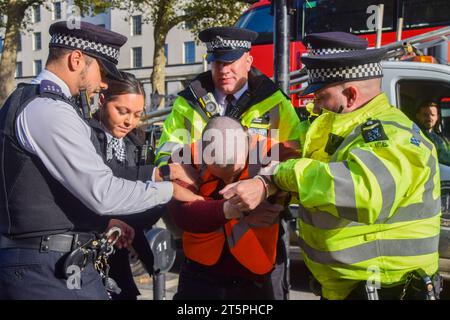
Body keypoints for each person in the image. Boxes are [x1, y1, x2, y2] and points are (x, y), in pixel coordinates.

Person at [220, 32, 442, 300]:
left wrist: (280, 176)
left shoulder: (394, 135)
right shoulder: (331, 123)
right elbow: (292, 152)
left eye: (320, 95)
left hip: (389, 289)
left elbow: (363, 192)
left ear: (350, 95)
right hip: (343, 288)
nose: (313, 103)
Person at [0, 21, 200, 300]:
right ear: (76, 59)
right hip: (44, 271)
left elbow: (52, 189)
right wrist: (167, 187)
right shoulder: (50, 110)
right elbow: (103, 192)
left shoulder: (32, 101)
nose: (104, 82)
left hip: (48, 264)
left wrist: (102, 223)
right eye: (102, 70)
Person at [155, 26, 301, 300]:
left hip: (259, 239)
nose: (223, 70)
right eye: (217, 61)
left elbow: (292, 158)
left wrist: (269, 195)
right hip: (203, 240)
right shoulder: (188, 102)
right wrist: (177, 172)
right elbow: (166, 154)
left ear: (248, 59)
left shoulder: (274, 102)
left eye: (230, 60)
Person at [89, 71, 198, 299]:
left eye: (138, 114)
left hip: (118, 259)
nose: (130, 121)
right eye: (122, 111)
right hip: (85, 256)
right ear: (102, 100)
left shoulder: (134, 143)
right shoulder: (84, 137)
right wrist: (159, 177)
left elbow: (141, 203)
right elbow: (102, 182)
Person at [170, 116, 299, 300]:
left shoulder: (270, 150)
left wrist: (266, 184)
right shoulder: (186, 156)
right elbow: (183, 214)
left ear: (247, 143)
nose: (228, 183)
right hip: (200, 274)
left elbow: (300, 172)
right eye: (219, 174)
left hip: (255, 273)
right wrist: (240, 211)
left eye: (235, 173)